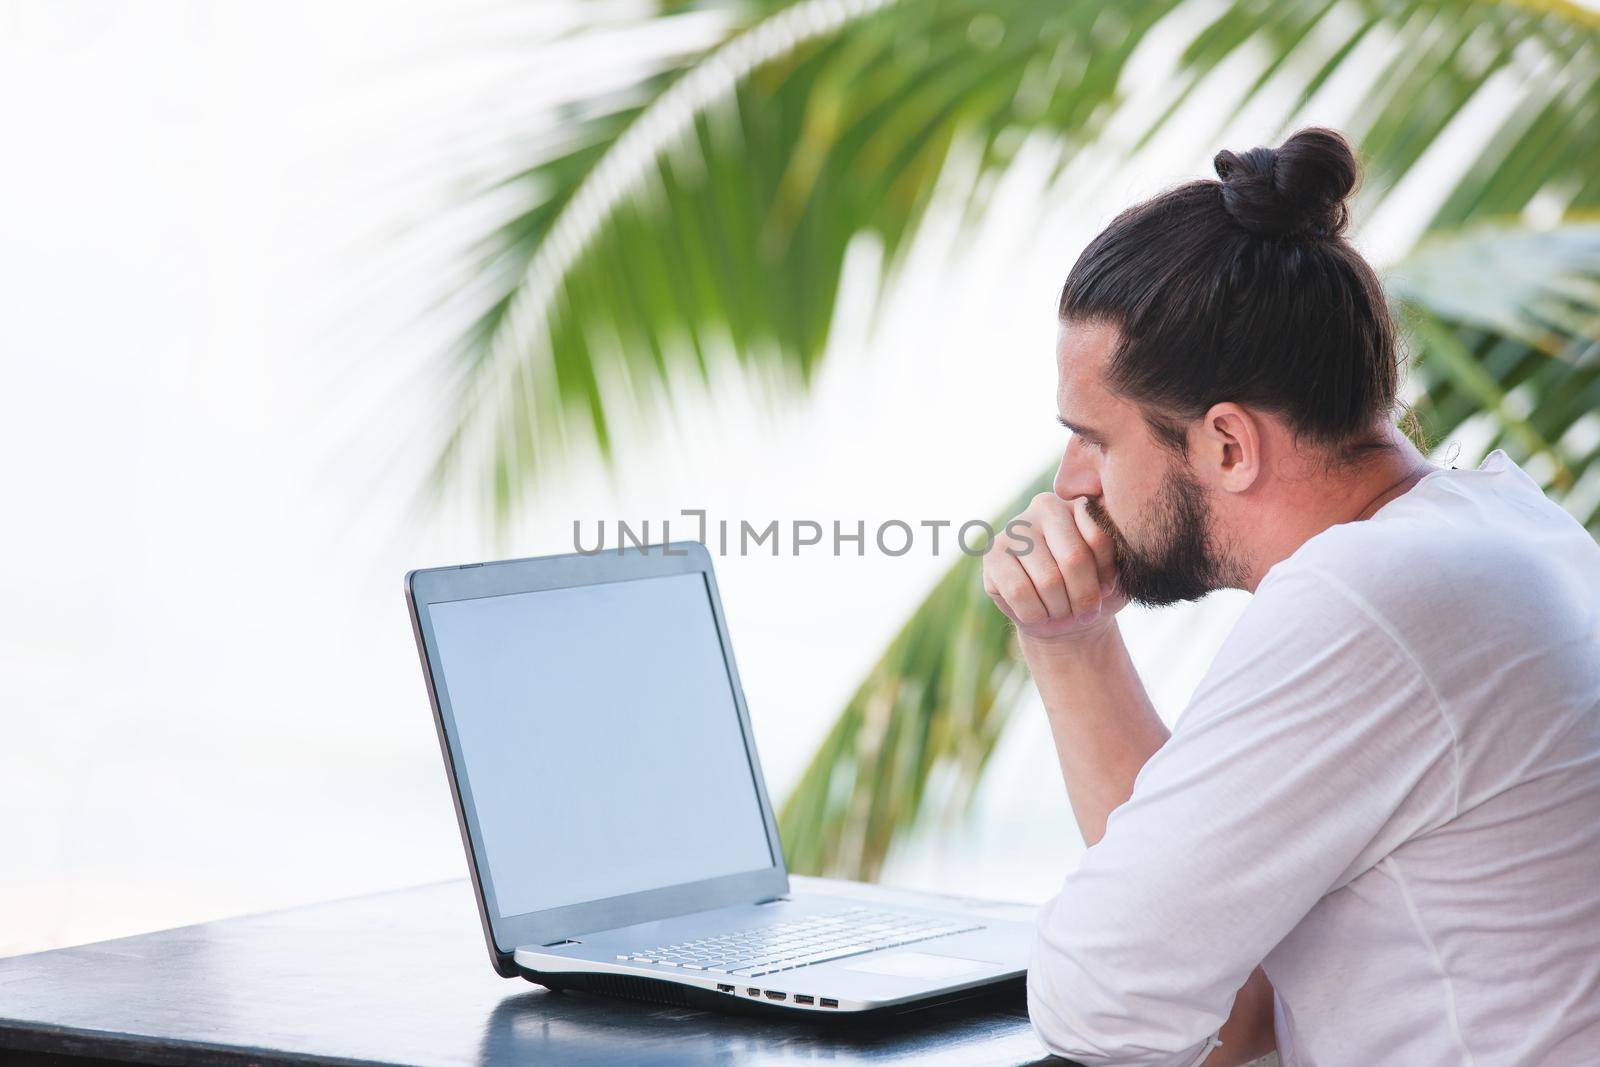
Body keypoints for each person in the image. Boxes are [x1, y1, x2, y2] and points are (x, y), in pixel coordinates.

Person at [982, 127, 1600, 1067]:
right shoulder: (1507, 526)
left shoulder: (1370, 599)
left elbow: (1100, 1005)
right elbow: (1232, 1011)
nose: (1072, 482)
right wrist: (1071, 642)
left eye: (1096, 440)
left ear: (1227, 444)